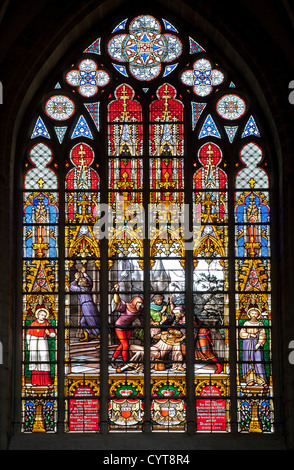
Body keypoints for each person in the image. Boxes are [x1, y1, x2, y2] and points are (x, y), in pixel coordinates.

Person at [111, 284, 144, 371]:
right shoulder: (126, 306)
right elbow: (116, 301)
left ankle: (113, 359)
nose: (140, 304)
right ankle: (125, 363)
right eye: (138, 303)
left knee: (123, 345)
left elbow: (143, 318)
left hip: (128, 328)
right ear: (134, 302)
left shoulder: (139, 310)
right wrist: (116, 291)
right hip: (119, 326)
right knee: (125, 345)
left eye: (141, 303)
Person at [70, 266, 100, 348]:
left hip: (87, 306)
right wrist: (84, 273)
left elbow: (71, 287)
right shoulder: (88, 287)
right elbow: (90, 281)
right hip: (89, 305)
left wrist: (76, 278)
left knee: (93, 323)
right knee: (83, 322)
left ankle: (102, 341)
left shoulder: (81, 289)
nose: (80, 280)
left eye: (81, 280)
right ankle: (86, 337)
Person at [26, 305, 56, 386]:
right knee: (34, 360)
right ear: (38, 315)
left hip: (43, 342)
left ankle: (47, 381)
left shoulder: (47, 324)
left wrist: (49, 333)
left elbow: (53, 334)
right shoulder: (33, 323)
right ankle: (35, 381)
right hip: (33, 342)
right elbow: (28, 334)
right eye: (42, 315)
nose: (43, 317)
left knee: (44, 359)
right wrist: (28, 344)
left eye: (45, 315)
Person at [239, 306, 268, 387]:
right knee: (248, 361)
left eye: (256, 313)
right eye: (252, 313)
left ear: (258, 314)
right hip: (247, 344)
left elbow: (263, 334)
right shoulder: (246, 323)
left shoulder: (260, 324)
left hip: (256, 344)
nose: (254, 315)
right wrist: (249, 335)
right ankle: (250, 380)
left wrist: (259, 343)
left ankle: (261, 380)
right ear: (249, 314)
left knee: (258, 361)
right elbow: (241, 333)